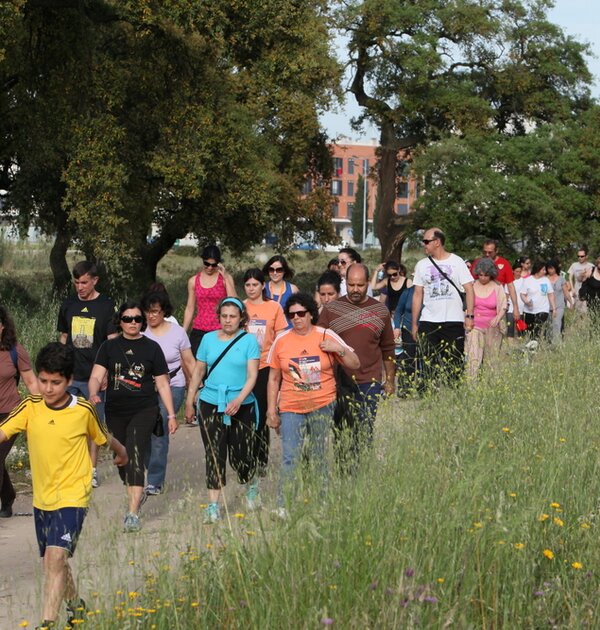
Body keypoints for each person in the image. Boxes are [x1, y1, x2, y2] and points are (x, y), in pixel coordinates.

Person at [0, 342, 127, 630]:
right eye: (43, 381)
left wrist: (122, 453)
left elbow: (103, 436)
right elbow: (3, 431)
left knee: (55, 556)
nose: (47, 388)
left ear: (69, 381)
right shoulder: (30, 407)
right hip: (42, 498)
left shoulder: (82, 409)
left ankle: (47, 623)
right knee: (53, 561)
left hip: (73, 495)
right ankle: (76, 606)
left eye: (55, 382)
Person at [88, 302, 177, 533]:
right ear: (120, 321)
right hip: (116, 410)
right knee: (123, 458)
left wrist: (171, 414)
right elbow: (96, 375)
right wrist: (93, 393)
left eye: (137, 319)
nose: (133, 323)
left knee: (135, 453)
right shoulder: (109, 347)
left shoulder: (152, 348)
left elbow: (162, 383)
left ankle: (133, 513)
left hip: (144, 409)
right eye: (128, 319)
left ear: (142, 322)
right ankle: (134, 493)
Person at [266, 294, 359, 504]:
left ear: (311, 314)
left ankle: (321, 502)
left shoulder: (325, 334)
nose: (296, 318)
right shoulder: (281, 340)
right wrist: (271, 410)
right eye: (292, 315)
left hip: (322, 404)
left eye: (301, 313)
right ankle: (284, 504)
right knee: (290, 456)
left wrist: (339, 349)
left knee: (319, 454)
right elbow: (273, 379)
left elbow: (355, 364)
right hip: (291, 406)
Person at [184, 297, 261, 523]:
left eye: (232, 316)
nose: (228, 320)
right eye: (224, 316)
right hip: (211, 401)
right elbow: (199, 371)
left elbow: (252, 375)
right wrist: (190, 400)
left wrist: (239, 399)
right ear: (218, 317)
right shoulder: (207, 339)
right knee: (214, 453)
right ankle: (214, 505)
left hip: (241, 403)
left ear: (241, 318)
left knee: (241, 453)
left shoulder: (249, 341)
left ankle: (251, 486)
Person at [318, 263, 396, 462]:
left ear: (368, 283)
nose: (355, 289)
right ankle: (343, 468)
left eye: (360, 285)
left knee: (365, 428)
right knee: (341, 429)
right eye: (351, 285)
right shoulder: (331, 310)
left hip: (369, 380)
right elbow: (319, 342)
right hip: (339, 381)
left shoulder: (380, 311)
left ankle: (362, 468)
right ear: (345, 283)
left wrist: (390, 380)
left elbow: (388, 348)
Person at [57, 260, 117, 488]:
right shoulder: (68, 304)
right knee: (69, 425)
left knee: (93, 426)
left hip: (94, 376)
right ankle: (71, 468)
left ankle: (91, 470)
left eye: (84, 282)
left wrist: (107, 373)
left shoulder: (106, 306)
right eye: (76, 283)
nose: (80, 287)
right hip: (70, 375)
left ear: (95, 280)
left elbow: (112, 342)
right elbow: (64, 338)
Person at [140, 290, 195, 496]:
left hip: (174, 384)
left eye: (155, 311)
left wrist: (195, 391)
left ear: (164, 311)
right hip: (146, 387)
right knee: (144, 429)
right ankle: (152, 465)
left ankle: (155, 480)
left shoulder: (177, 332)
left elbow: (189, 362)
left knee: (159, 423)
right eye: (148, 311)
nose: (151, 315)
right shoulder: (140, 332)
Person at [243, 269, 288, 503]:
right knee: (245, 414)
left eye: (255, 284)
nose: (251, 289)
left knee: (261, 413)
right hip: (243, 367)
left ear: (263, 286)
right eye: (247, 285)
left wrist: (278, 363)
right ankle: (245, 456)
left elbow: (280, 337)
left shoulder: (274, 308)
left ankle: (261, 458)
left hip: (266, 366)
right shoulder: (240, 307)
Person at [411, 228, 475, 385]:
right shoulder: (421, 265)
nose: (424, 244)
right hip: (428, 320)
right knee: (427, 365)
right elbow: (417, 294)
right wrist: (414, 323)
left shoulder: (457, 262)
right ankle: (427, 394)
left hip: (453, 320)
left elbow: (469, 289)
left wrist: (469, 315)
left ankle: (454, 393)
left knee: (454, 363)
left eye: (426, 241)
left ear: (437, 242)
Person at [0, 305, 40, 518]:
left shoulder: (15, 351)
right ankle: (7, 498)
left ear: (3, 326)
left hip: (10, 413)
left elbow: (31, 382)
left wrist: (42, 410)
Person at [183, 244, 236, 356]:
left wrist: (226, 277)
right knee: (196, 362)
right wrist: (183, 331)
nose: (210, 268)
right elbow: (190, 308)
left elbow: (234, 302)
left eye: (214, 265)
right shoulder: (193, 281)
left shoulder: (225, 279)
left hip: (220, 329)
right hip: (199, 330)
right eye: (207, 264)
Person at [465, 258, 507, 378]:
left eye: (486, 275)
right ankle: (471, 383)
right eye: (481, 275)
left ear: (491, 275)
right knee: (473, 358)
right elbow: (466, 305)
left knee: (491, 360)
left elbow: (504, 305)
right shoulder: (472, 285)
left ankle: (490, 384)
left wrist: (498, 318)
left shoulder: (498, 287)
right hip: (475, 326)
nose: (483, 278)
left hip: (492, 327)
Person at [471, 239, 521, 323]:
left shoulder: (504, 263)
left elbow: (511, 286)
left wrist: (515, 307)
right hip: (478, 307)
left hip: (497, 306)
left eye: (490, 252)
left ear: (496, 251)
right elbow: (470, 284)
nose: (487, 255)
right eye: (485, 252)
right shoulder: (477, 263)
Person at [520, 262, 556, 340]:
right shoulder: (528, 280)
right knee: (530, 331)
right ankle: (532, 344)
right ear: (537, 270)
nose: (545, 272)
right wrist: (527, 302)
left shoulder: (546, 280)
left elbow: (550, 294)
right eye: (543, 270)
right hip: (529, 310)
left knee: (537, 330)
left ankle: (535, 343)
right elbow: (522, 294)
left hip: (543, 309)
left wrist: (554, 308)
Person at [393, 280, 417, 394]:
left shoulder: (429, 292)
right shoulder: (408, 292)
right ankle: (405, 389)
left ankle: (425, 387)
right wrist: (397, 327)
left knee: (424, 359)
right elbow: (398, 311)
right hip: (408, 330)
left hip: (426, 329)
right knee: (408, 360)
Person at [546, 260, 573, 342]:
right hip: (547, 306)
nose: (550, 270)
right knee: (549, 325)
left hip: (559, 305)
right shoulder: (545, 279)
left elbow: (566, 292)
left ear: (555, 268)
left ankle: (557, 343)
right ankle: (549, 342)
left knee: (557, 323)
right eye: (548, 268)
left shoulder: (561, 279)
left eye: (552, 268)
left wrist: (570, 303)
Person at [568, 247, 595, 313]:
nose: (580, 258)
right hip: (577, 291)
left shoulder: (591, 266)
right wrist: (572, 288)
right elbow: (570, 277)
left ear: (586, 256)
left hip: (587, 292)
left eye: (582, 256)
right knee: (578, 311)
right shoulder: (574, 265)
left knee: (586, 311)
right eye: (578, 256)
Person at [578, 255, 600, 325]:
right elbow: (580, 280)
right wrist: (582, 275)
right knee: (593, 321)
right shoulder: (591, 270)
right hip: (590, 301)